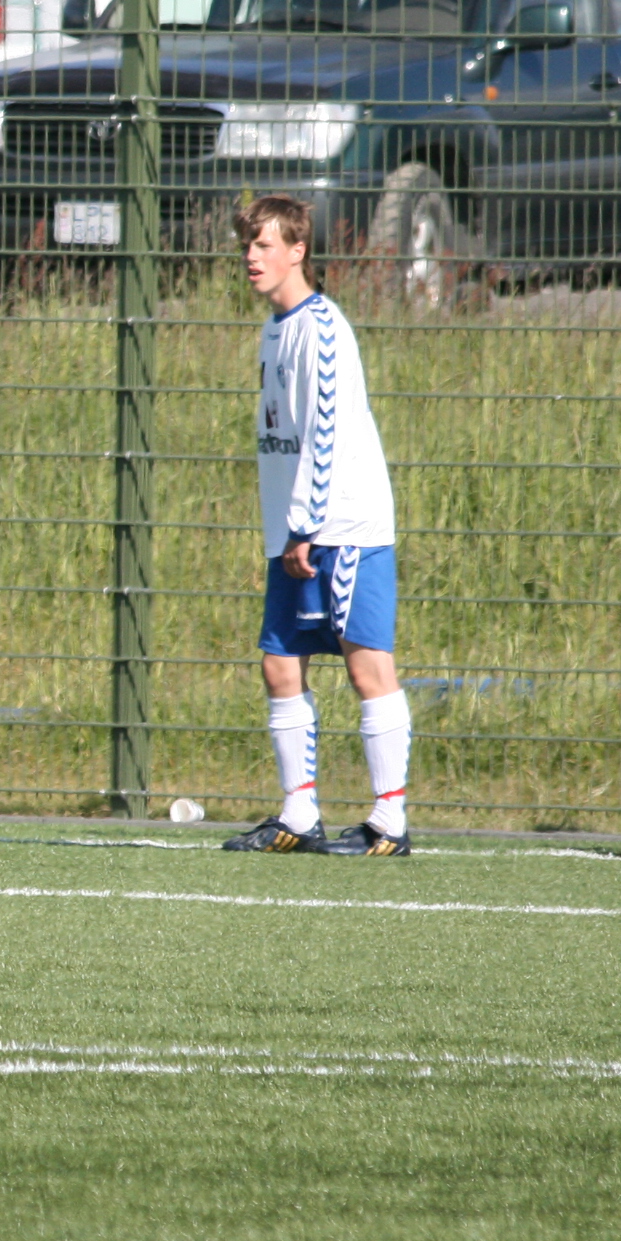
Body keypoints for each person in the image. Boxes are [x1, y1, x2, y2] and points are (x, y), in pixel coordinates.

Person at [222, 195, 413, 857]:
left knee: (367, 667)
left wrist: (305, 525)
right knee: (280, 665)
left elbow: (325, 430)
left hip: (343, 525)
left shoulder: (321, 327)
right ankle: (299, 815)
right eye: (247, 245)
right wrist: (287, 530)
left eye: (265, 245)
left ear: (297, 251)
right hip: (296, 531)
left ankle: (390, 822)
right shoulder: (275, 329)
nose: (252, 257)